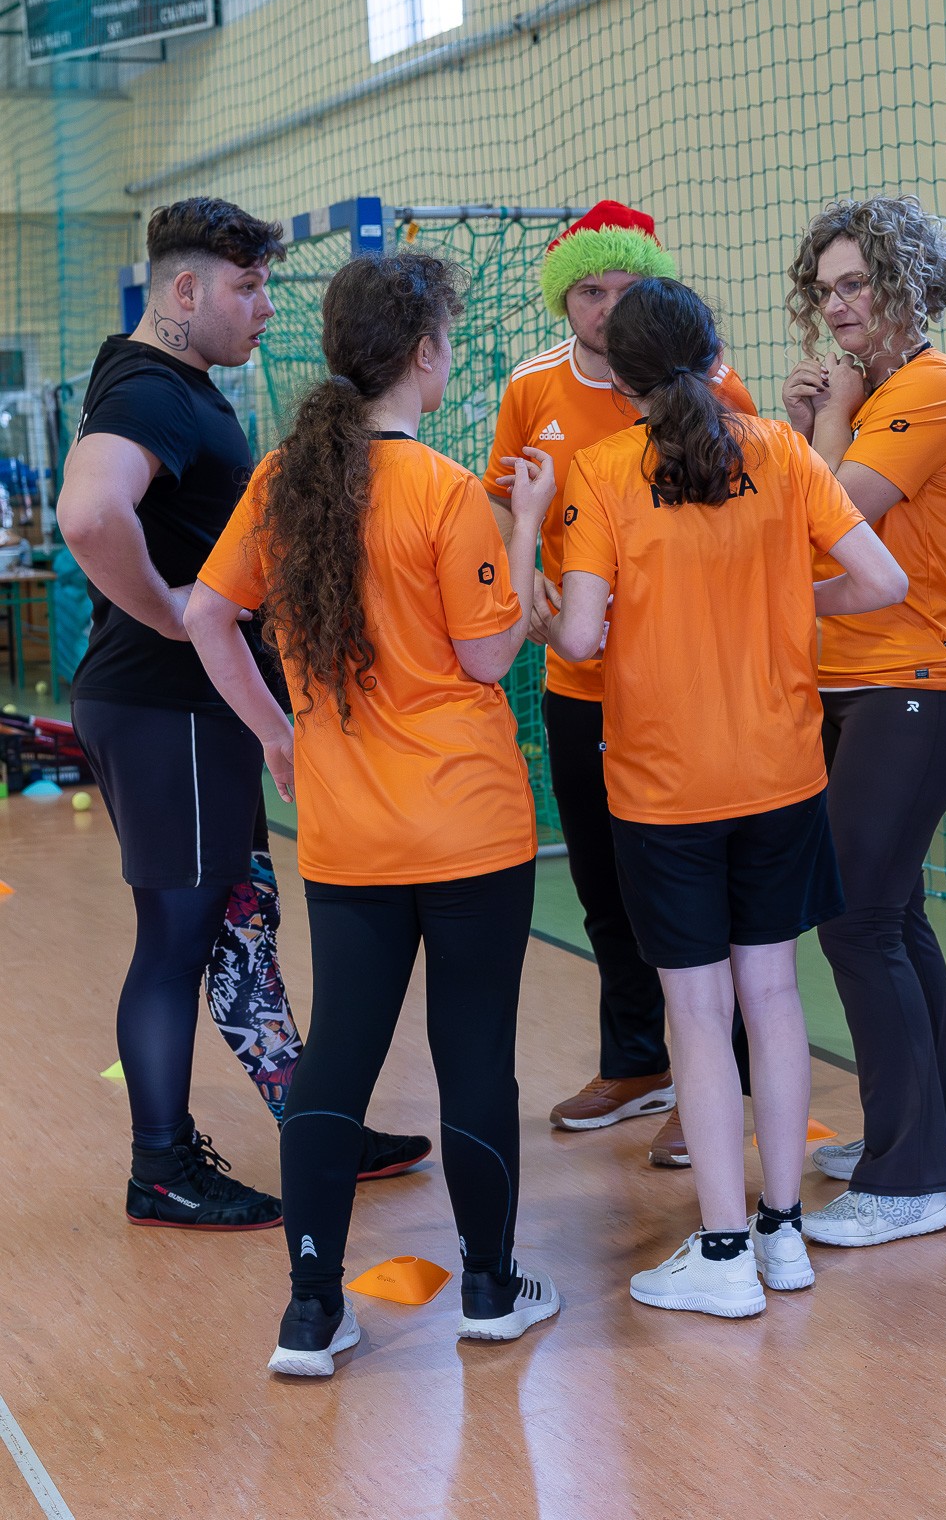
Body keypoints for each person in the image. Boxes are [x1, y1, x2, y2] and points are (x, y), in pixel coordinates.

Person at [186, 250, 561, 1376]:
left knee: (338, 1057)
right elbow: (487, 656)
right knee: (473, 1052)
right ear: (426, 353)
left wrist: (276, 732)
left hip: (349, 833)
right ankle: (489, 1289)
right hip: (467, 825)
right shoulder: (442, 489)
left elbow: (206, 614)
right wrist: (526, 524)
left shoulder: (283, 479)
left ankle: (311, 1310)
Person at [57, 197, 428, 1233]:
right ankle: (161, 1168)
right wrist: (169, 612)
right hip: (162, 706)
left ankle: (316, 1122)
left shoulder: (165, 381)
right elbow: (88, 512)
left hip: (187, 709)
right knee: (179, 936)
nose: (266, 306)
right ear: (186, 290)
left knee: (239, 924)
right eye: (249, 287)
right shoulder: (152, 389)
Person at [547, 276, 906, 1317]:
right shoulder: (783, 451)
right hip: (780, 774)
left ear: (619, 381)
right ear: (715, 360)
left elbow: (579, 640)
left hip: (664, 787)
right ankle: (780, 1235)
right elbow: (881, 583)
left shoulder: (602, 468)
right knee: (774, 997)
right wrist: (787, 597)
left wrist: (533, 595)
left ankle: (718, 1252)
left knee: (696, 1012)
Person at [483, 200, 758, 1169]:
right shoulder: (532, 388)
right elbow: (502, 500)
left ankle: (715, 1081)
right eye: (588, 292)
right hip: (580, 677)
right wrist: (525, 572)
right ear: (564, 301)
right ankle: (636, 1060)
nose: (605, 308)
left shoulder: (711, 384)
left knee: (699, 899)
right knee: (603, 884)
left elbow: (752, 503)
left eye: (624, 289)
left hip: (685, 687)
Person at [782, 195, 946, 1248]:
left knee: (858, 917)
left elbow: (829, 519)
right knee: (893, 912)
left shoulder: (930, 389)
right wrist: (810, 424)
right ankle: (933, 1136)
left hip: (918, 683)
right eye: (824, 290)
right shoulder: (875, 394)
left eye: (856, 284)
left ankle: (906, 1180)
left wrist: (819, 429)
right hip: (862, 683)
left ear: (906, 283)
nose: (837, 306)